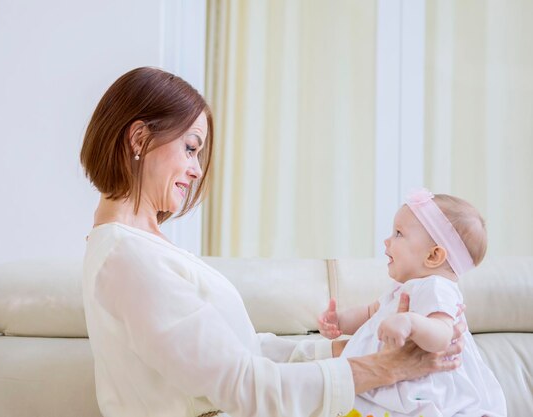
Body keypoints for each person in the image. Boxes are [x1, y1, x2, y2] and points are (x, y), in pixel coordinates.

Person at [79, 66, 465, 417]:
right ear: (139, 138)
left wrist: (345, 349)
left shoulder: (141, 249)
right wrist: (385, 367)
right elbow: (245, 386)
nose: (197, 169)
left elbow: (242, 353)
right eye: (191, 147)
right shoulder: (127, 258)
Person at [318, 189, 506, 417]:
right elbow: (370, 313)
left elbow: (443, 333)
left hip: (421, 389)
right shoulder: (403, 289)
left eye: (398, 233)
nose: (387, 240)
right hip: (388, 378)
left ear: (434, 256)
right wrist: (340, 320)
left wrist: (411, 323)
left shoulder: (437, 287)